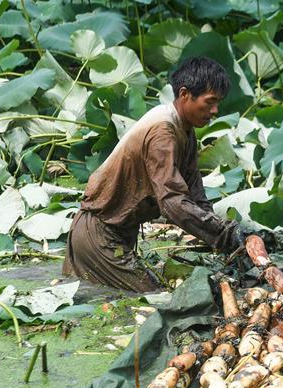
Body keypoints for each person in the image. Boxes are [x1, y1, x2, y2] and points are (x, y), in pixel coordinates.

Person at [63, 56, 245, 292]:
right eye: (210, 102)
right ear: (184, 94)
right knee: (154, 297)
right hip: (99, 233)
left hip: (117, 232)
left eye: (217, 103)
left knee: (116, 297)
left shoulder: (186, 132)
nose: (215, 110)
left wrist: (225, 240)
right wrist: (226, 234)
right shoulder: (163, 132)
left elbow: (196, 197)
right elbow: (172, 202)